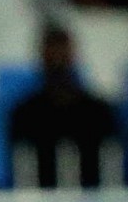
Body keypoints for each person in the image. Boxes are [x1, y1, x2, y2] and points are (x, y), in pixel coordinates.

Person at [7, 25, 119, 189]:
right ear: (42, 58)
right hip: (40, 197)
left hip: (92, 194)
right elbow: (21, 164)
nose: (57, 61)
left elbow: (110, 160)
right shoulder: (23, 114)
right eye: (52, 55)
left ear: (72, 57)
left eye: (62, 55)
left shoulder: (99, 112)